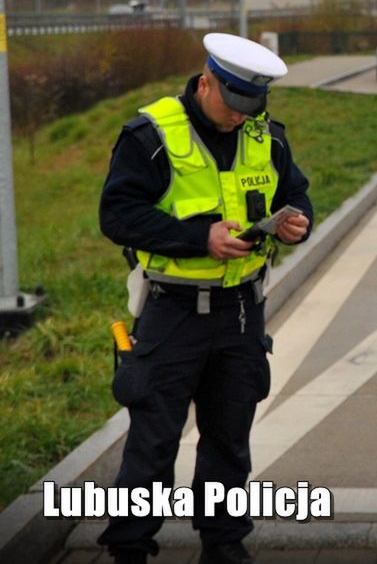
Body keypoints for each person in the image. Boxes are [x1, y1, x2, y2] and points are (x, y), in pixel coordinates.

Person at [97, 33, 313, 564]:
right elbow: (118, 214)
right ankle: (129, 550)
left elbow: (297, 192)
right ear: (205, 82)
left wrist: (298, 223)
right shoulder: (151, 134)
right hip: (172, 314)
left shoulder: (267, 135)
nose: (240, 118)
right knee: (153, 442)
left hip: (241, 312)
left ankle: (224, 546)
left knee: (229, 439)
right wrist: (201, 239)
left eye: (250, 108)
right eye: (232, 105)